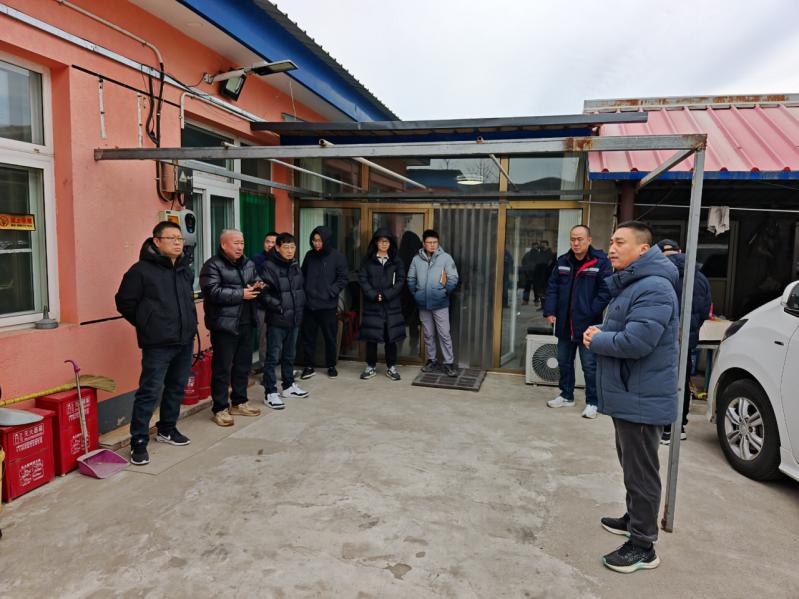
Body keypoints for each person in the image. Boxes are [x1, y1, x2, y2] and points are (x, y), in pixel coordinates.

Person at [583, 220, 680, 573]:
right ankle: (635, 517)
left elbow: (638, 342)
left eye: (620, 242)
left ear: (643, 249)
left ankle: (643, 545)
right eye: (611, 241)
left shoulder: (654, 287)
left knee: (641, 472)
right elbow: (626, 327)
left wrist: (597, 340)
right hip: (631, 394)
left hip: (642, 397)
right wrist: (602, 329)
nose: (611, 248)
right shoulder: (634, 283)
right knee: (632, 466)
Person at [115, 221, 198, 465]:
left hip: (184, 339)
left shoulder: (184, 270)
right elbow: (124, 302)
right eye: (171, 238)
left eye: (180, 238)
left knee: (176, 387)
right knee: (149, 391)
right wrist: (148, 323)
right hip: (158, 343)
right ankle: (139, 440)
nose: (177, 243)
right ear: (156, 241)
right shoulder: (140, 271)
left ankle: (167, 429)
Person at [542, 225, 612, 419]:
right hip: (565, 322)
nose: (575, 243)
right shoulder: (563, 261)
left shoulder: (600, 262)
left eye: (580, 239)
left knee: (589, 365)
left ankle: (593, 402)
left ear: (589, 240)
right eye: (573, 239)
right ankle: (566, 395)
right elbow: (552, 288)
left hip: (588, 324)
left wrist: (589, 312)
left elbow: (605, 292)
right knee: (564, 361)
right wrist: (550, 310)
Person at [200, 229, 263, 427]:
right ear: (223, 244)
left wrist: (258, 286)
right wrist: (241, 294)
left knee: (243, 366)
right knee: (222, 368)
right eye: (236, 243)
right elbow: (212, 292)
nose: (240, 247)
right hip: (224, 325)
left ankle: (239, 402)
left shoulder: (248, 263)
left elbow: (254, 280)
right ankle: (220, 408)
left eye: (242, 243)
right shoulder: (212, 265)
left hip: (246, 322)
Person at [656, 239, 712, 444]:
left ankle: (663, 428)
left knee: (660, 381)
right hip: (686, 339)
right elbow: (706, 311)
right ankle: (678, 427)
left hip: (661, 339)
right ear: (680, 250)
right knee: (682, 381)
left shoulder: (659, 274)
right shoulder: (700, 277)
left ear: (660, 253)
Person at [260, 232, 308, 408]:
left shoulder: (295, 264)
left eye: (292, 247)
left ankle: (288, 386)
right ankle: (270, 392)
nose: (290, 250)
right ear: (278, 248)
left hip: (294, 318)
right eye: (286, 247)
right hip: (277, 318)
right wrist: (279, 307)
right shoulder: (269, 266)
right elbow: (263, 294)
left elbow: (299, 289)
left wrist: (299, 308)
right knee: (272, 357)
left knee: (289, 355)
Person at [407, 229, 459, 377]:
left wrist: (444, 292)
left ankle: (448, 363)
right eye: (429, 242)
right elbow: (410, 279)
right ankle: (432, 360)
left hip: (440, 304)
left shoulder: (446, 258)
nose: (432, 245)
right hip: (423, 304)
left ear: (438, 242)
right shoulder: (416, 260)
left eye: (435, 242)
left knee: (444, 334)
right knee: (428, 334)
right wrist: (416, 294)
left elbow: (453, 278)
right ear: (423, 243)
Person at [300, 226, 348, 380]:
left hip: (327, 306)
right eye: (314, 240)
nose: (316, 243)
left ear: (326, 241)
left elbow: (343, 278)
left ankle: (331, 365)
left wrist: (330, 292)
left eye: (319, 240)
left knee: (330, 337)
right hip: (309, 305)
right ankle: (309, 366)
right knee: (308, 338)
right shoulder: (309, 255)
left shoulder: (337, 256)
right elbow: (302, 275)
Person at [358, 228, 406, 380]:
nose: (384, 244)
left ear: (390, 243)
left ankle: (391, 367)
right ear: (375, 243)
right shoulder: (367, 261)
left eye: (386, 241)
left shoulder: (396, 261)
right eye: (380, 241)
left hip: (391, 305)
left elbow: (400, 281)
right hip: (373, 305)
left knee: (390, 337)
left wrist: (386, 295)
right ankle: (370, 366)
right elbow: (363, 279)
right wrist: (374, 295)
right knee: (372, 337)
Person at [251, 231, 278, 375]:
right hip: (262, 305)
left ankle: (276, 365)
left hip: (278, 305)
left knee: (278, 337)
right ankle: (264, 367)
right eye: (268, 242)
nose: (270, 245)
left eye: (274, 242)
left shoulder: (283, 260)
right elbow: (256, 281)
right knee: (263, 337)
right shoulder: (257, 260)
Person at [398, 231, 423, 355]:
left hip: (401, 297)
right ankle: (413, 349)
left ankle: (398, 349)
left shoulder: (398, 259)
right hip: (413, 297)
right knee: (413, 324)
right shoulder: (418, 260)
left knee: (400, 324)